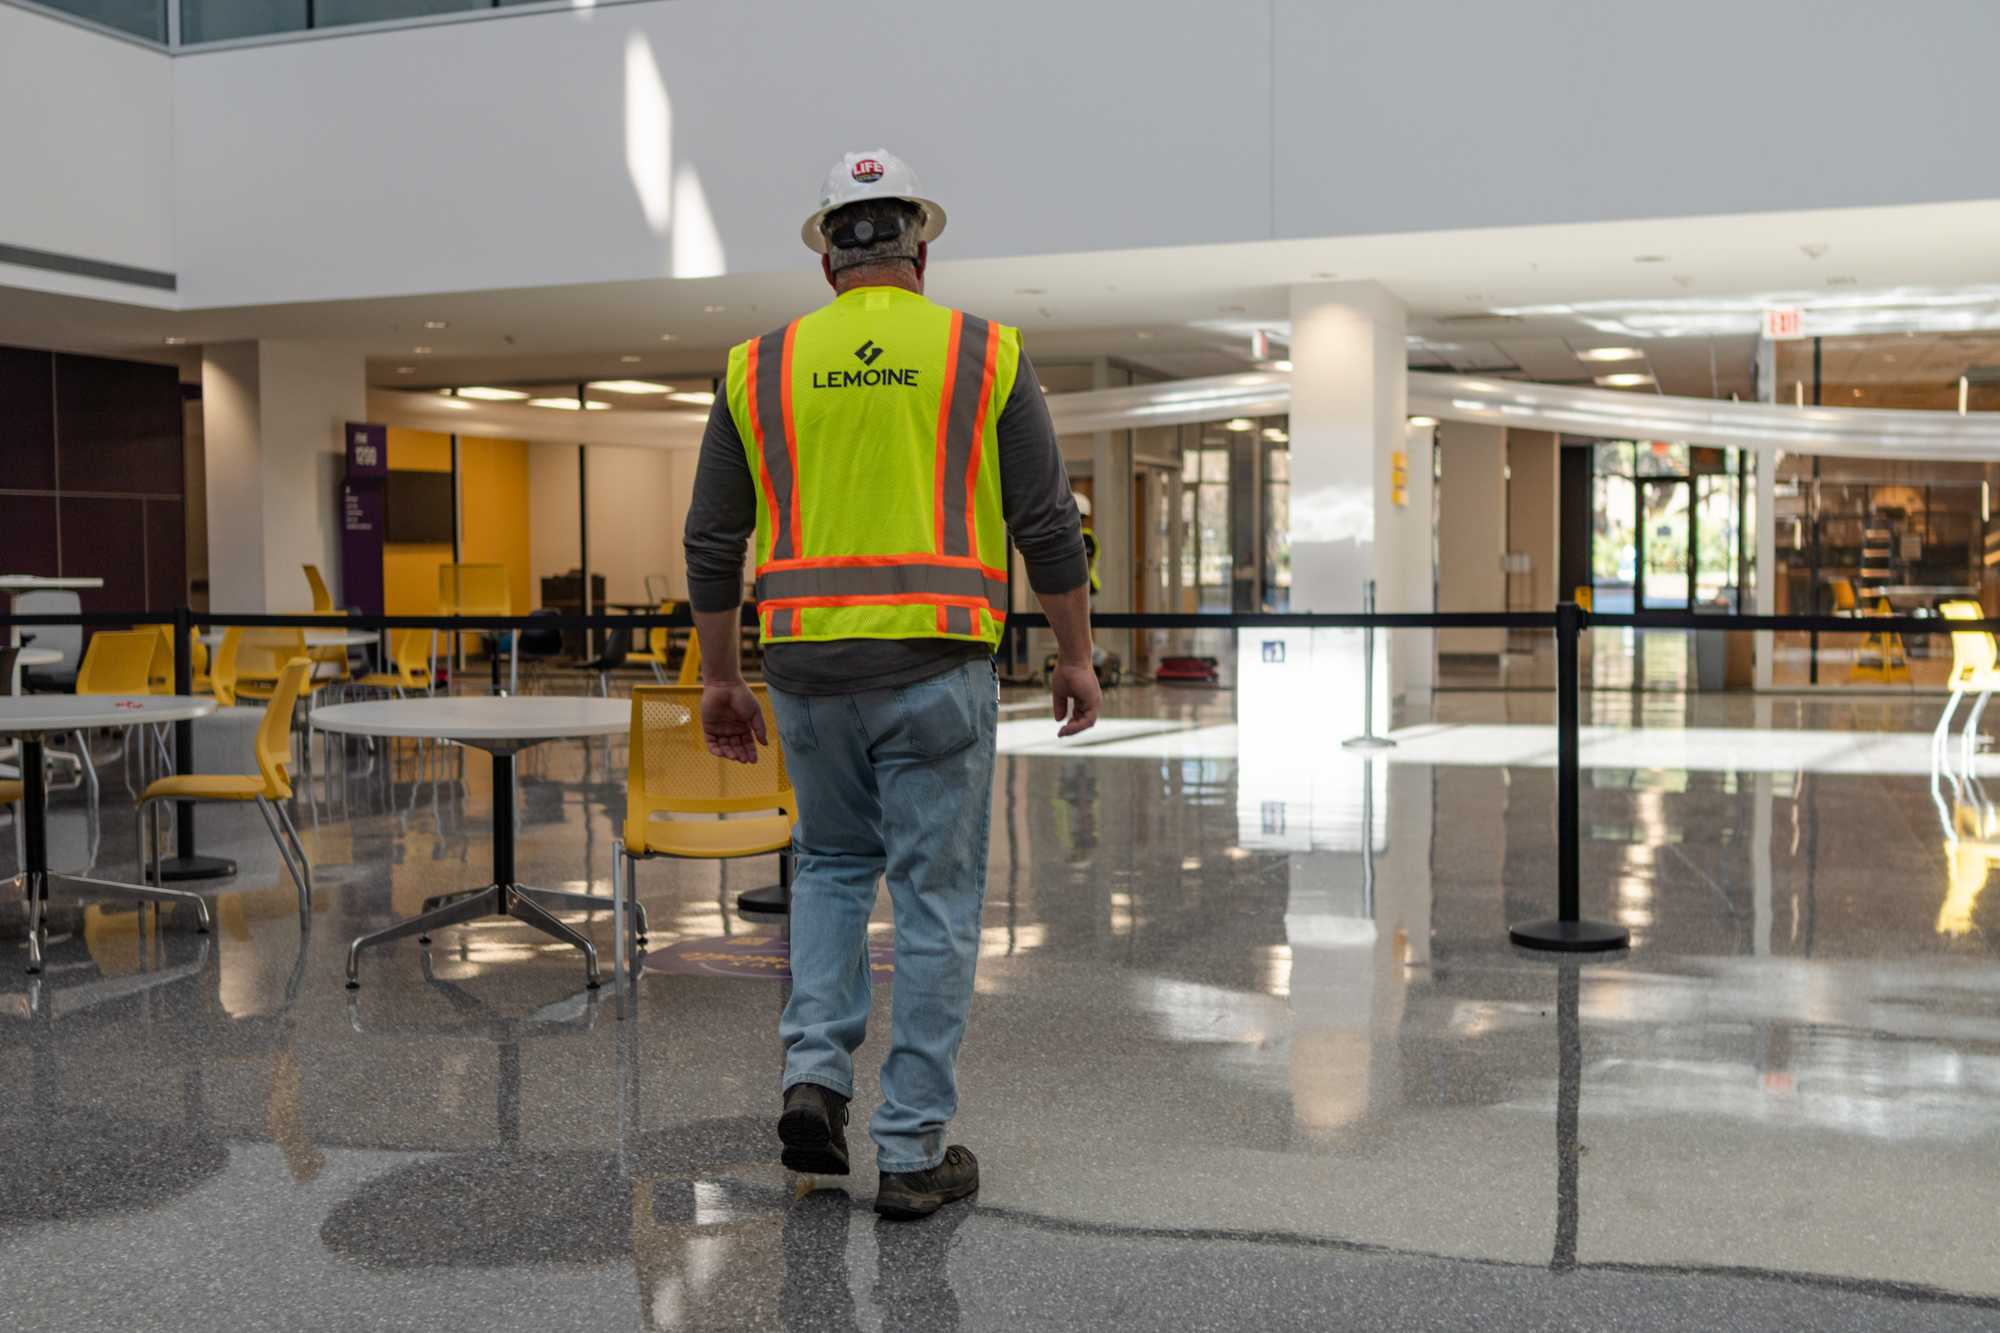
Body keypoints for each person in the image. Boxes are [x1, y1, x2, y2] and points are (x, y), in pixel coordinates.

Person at [682, 149, 1100, 1220]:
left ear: (828, 258)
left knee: (826, 867)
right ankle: (911, 1149)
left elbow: (713, 536)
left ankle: (812, 1081)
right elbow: (1046, 522)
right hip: (936, 665)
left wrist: (721, 677)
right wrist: (1076, 653)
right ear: (921, 247)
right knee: (934, 899)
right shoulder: (982, 351)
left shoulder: (756, 365)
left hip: (808, 667)